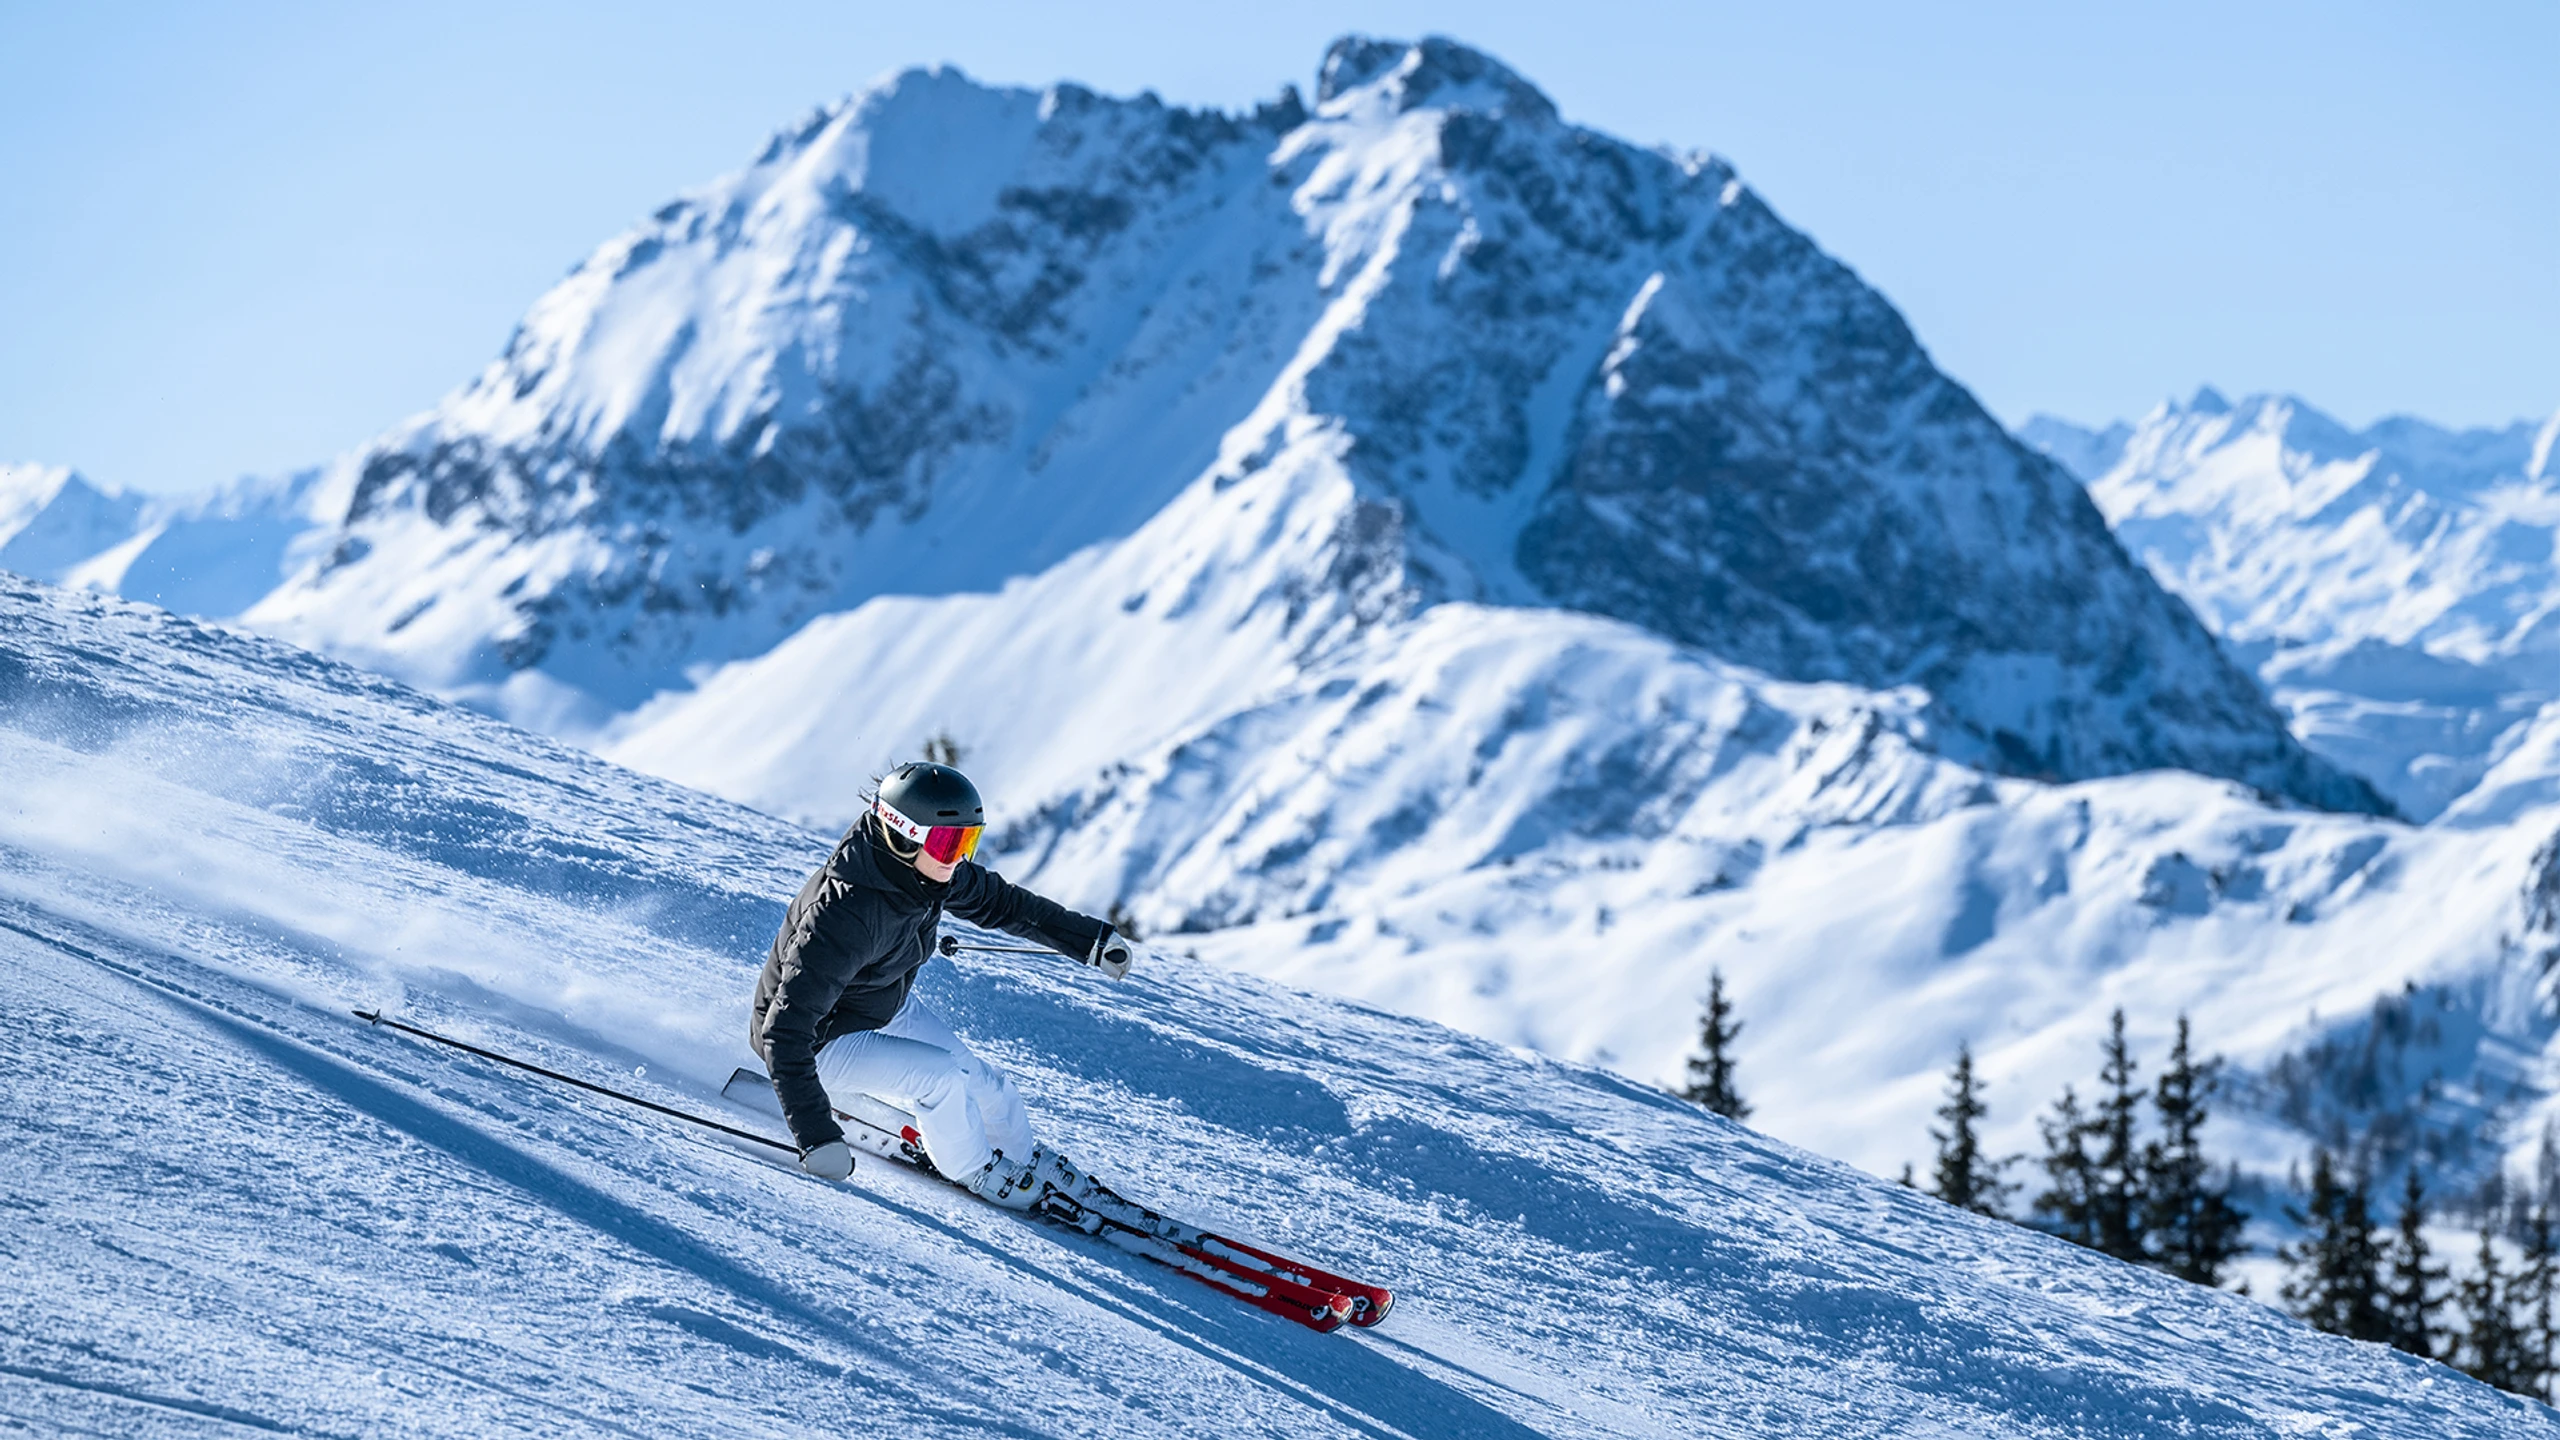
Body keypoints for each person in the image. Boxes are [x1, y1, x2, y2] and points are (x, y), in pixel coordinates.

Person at [749, 760, 1144, 1205]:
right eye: (947, 842)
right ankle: (976, 1169)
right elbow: (783, 1033)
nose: (958, 856)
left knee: (984, 1082)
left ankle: (1021, 1155)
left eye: (966, 841)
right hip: (818, 1040)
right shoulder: (844, 914)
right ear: (902, 836)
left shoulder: (928, 874)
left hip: (877, 1004)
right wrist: (816, 1137)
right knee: (940, 1079)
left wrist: (1088, 940)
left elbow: (1005, 904)